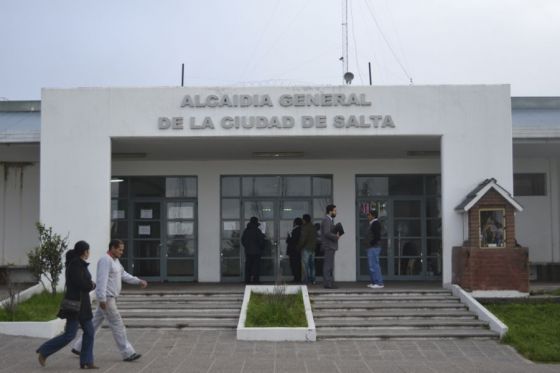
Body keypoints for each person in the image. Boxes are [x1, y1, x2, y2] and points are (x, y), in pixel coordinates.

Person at [71, 239, 147, 362]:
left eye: (122, 250)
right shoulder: (105, 260)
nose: (122, 252)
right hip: (107, 299)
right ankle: (127, 353)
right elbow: (101, 281)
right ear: (112, 248)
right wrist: (102, 299)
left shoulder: (115, 261)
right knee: (118, 325)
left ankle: (78, 347)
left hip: (109, 298)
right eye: (120, 249)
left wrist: (138, 281)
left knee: (94, 324)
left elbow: (124, 275)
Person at [36, 241, 98, 369]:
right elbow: (80, 283)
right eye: (88, 250)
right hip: (75, 305)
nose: (89, 253)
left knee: (90, 332)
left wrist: (89, 284)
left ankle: (86, 361)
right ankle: (44, 351)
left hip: (83, 305)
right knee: (70, 335)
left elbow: (82, 282)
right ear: (84, 251)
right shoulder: (75, 264)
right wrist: (91, 285)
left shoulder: (80, 264)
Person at [241, 216, 266, 284]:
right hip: (257, 252)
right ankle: (256, 281)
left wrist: (247, 247)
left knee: (248, 267)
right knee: (256, 267)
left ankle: (247, 281)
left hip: (248, 252)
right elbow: (261, 242)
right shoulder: (258, 231)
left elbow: (243, 241)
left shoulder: (246, 230)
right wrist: (261, 248)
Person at [320, 204, 340, 289]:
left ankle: (329, 283)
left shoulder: (329, 220)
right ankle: (328, 284)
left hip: (330, 246)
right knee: (328, 265)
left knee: (329, 265)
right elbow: (327, 233)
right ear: (330, 211)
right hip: (329, 246)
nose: (336, 212)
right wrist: (336, 236)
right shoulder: (327, 220)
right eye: (335, 210)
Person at [366, 210, 384, 288]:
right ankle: (374, 282)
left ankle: (379, 283)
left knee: (374, 265)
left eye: (369, 215)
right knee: (371, 265)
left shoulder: (375, 223)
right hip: (372, 247)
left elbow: (377, 236)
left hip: (374, 247)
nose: (368, 217)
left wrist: (371, 243)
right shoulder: (372, 223)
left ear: (373, 216)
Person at [298, 214, 317, 285]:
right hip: (313, 249)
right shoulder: (313, 227)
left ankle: (306, 280)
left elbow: (303, 239)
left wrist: (299, 247)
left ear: (305, 220)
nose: (302, 221)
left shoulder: (305, 227)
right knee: (312, 266)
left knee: (305, 266)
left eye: (303, 219)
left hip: (306, 248)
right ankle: (313, 280)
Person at [286, 217, 303, 283]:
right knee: (297, 265)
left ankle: (297, 279)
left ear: (295, 223)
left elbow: (292, 241)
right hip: (297, 251)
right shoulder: (300, 230)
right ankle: (297, 278)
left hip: (294, 251)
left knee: (294, 265)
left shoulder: (296, 230)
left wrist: (288, 237)